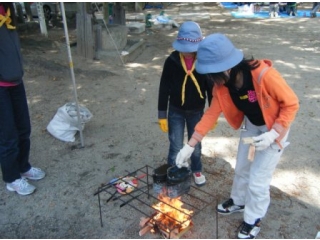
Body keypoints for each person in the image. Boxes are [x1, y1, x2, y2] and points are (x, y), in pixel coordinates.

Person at [175, 33, 299, 238]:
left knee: (258, 179)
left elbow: (291, 104)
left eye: (212, 73)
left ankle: (253, 219)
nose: (210, 79)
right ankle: (239, 201)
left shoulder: (264, 75)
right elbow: (211, 114)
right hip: (252, 128)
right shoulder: (222, 85)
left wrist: (274, 134)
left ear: (226, 67)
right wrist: (190, 144)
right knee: (243, 165)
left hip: (273, 131)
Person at [157, 21, 213, 186]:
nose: (188, 53)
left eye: (191, 50)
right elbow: (163, 88)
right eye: (184, 49)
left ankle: (196, 169)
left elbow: (211, 89)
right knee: (175, 144)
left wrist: (212, 114)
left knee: (195, 146)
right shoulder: (172, 61)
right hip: (175, 111)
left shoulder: (203, 62)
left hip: (197, 111)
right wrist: (162, 114)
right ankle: (174, 171)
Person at [0, 2, 45, 196]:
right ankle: (12, 178)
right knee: (7, 135)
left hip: (15, 80)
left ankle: (23, 166)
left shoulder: (8, 9)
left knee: (23, 128)